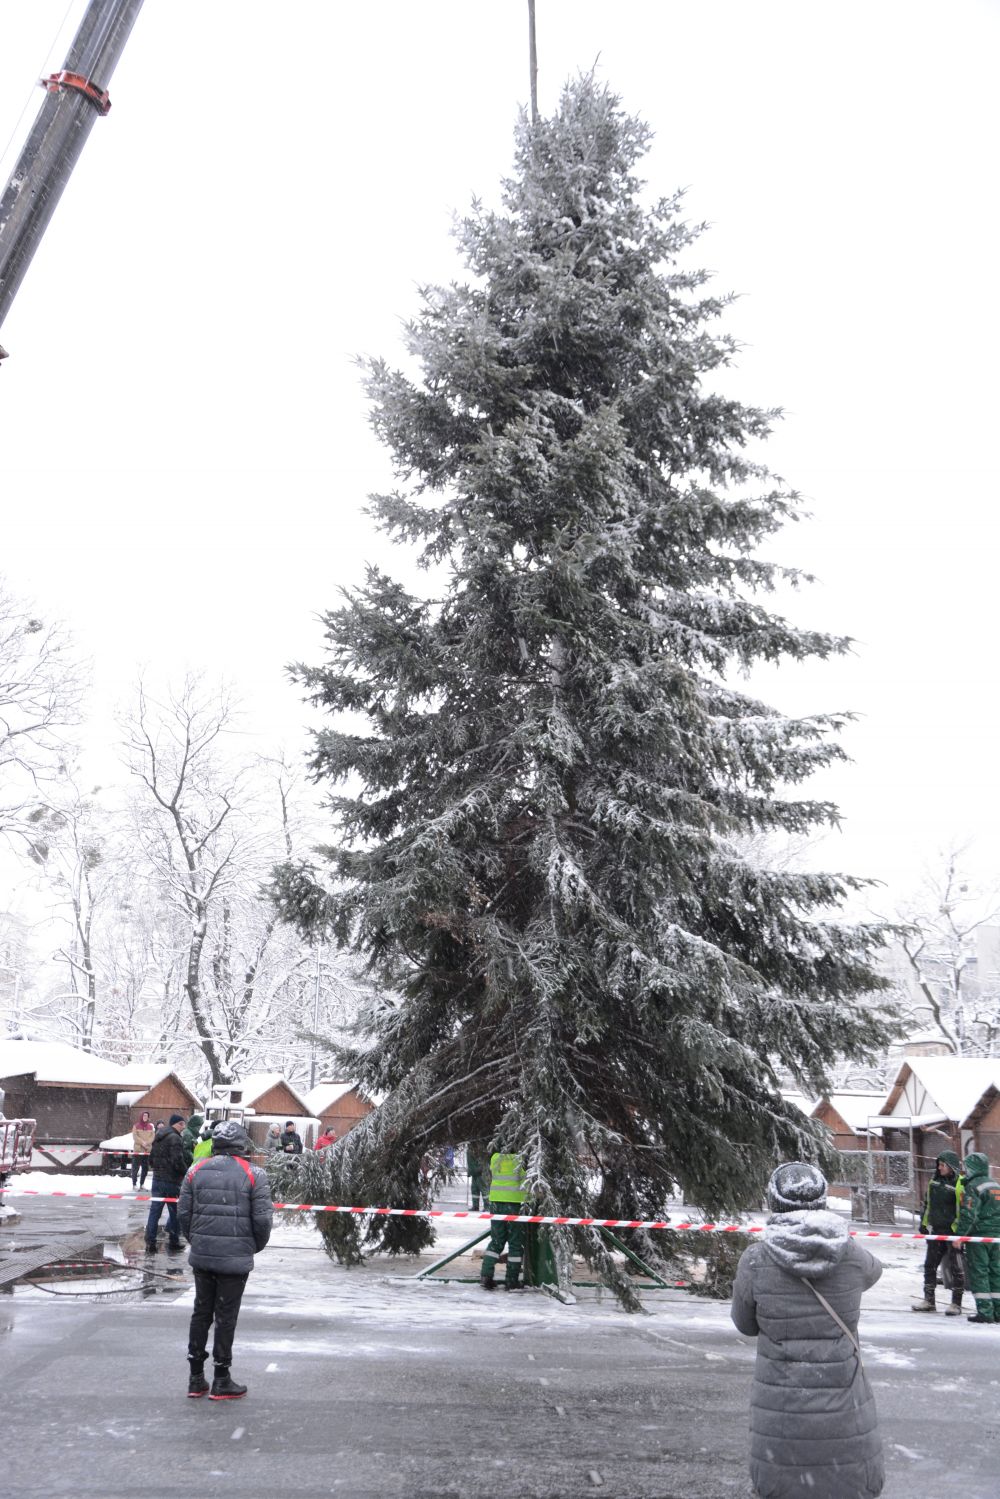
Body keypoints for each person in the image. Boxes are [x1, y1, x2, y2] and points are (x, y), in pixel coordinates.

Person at [731, 1161, 884, 1499]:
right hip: (845, 1411)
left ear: (774, 1202)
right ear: (822, 1200)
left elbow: (744, 1324)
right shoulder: (851, 1255)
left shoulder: (755, 1260)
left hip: (781, 1412)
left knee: (783, 1488)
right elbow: (874, 1273)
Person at [177, 1118, 273, 1400]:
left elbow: (184, 1213)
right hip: (235, 1257)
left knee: (201, 1312)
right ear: (242, 1145)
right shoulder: (255, 1174)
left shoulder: (196, 1171)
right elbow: (263, 1220)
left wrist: (196, 1239)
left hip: (203, 1255)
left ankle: (196, 1378)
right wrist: (253, 1246)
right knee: (225, 1317)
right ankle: (222, 1377)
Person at [912, 1150, 964, 1315]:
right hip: (937, 1232)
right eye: (939, 1165)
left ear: (951, 1166)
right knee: (930, 1265)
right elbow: (928, 1204)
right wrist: (924, 1223)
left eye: (943, 1165)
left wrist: (959, 1231)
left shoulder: (960, 1183)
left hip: (952, 1233)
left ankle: (956, 1303)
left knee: (957, 1268)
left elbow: (962, 1210)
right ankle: (929, 1301)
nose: (940, 1168)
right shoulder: (933, 1181)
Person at [953, 1150, 1000, 1324]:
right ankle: (998, 1310)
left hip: (979, 1237)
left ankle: (985, 1311)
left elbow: (968, 1214)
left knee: (979, 1272)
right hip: (996, 1237)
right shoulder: (995, 1185)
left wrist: (960, 1237)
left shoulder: (973, 1186)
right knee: (996, 1272)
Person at [480, 1149, 527, 1291]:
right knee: (515, 1243)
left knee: (496, 1240)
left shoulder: (495, 1158)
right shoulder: (520, 1160)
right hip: (514, 1204)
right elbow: (526, 1182)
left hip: (495, 1202)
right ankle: (511, 1280)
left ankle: (486, 1276)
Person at [145, 1114, 187, 1253]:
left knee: (154, 1212)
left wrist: (159, 1168)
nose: (183, 1127)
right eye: (182, 1124)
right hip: (171, 1181)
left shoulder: (159, 1136)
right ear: (175, 1124)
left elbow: (151, 1159)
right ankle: (174, 1241)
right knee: (175, 1212)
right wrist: (184, 1172)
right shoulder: (175, 1138)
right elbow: (177, 1160)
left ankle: (150, 1242)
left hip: (157, 1179)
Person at [131, 1110, 154, 1189]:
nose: (145, 1117)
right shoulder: (136, 1126)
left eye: (147, 1116)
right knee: (135, 1168)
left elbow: (152, 1137)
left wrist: (147, 1143)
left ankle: (142, 1184)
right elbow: (135, 1136)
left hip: (146, 1151)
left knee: (145, 1168)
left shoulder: (151, 1127)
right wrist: (142, 1142)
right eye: (144, 1116)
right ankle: (134, 1184)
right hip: (138, 1151)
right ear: (141, 1116)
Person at [466, 1147, 485, 1211]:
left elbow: (482, 1160)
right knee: (474, 1190)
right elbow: (470, 1162)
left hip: (480, 1173)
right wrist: (470, 1171)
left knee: (483, 1190)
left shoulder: (479, 1147)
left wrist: (480, 1169)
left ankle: (487, 1206)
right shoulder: (470, 1148)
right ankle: (475, 1206)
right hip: (474, 1173)